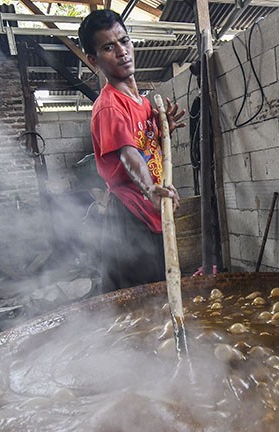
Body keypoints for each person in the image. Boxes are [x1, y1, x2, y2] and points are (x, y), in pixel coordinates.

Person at [78, 9, 186, 293]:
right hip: (130, 217)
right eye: (108, 47)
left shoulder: (143, 103)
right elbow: (129, 155)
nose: (122, 52)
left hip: (152, 214)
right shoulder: (111, 106)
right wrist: (151, 189)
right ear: (93, 60)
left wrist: (163, 133)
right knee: (137, 301)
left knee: (162, 290)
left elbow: (143, 146)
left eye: (124, 41)